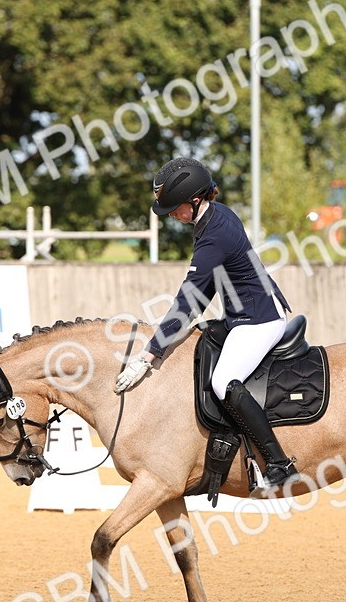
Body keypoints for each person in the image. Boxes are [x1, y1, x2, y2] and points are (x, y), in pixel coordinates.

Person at [114, 157, 299, 491]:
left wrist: (149, 353)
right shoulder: (213, 216)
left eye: (174, 207)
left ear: (195, 199)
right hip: (240, 313)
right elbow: (205, 290)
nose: (171, 214)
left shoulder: (215, 234)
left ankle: (278, 462)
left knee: (223, 380)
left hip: (259, 320)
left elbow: (188, 299)